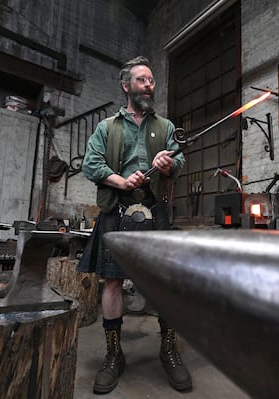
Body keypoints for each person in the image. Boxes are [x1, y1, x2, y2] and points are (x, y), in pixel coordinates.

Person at [78, 56, 191, 394]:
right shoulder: (107, 127)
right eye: (141, 80)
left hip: (155, 210)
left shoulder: (166, 127)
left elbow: (180, 160)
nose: (149, 85)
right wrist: (120, 181)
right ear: (126, 86)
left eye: (152, 80)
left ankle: (168, 348)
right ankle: (114, 354)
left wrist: (167, 164)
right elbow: (91, 164)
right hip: (117, 209)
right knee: (112, 282)